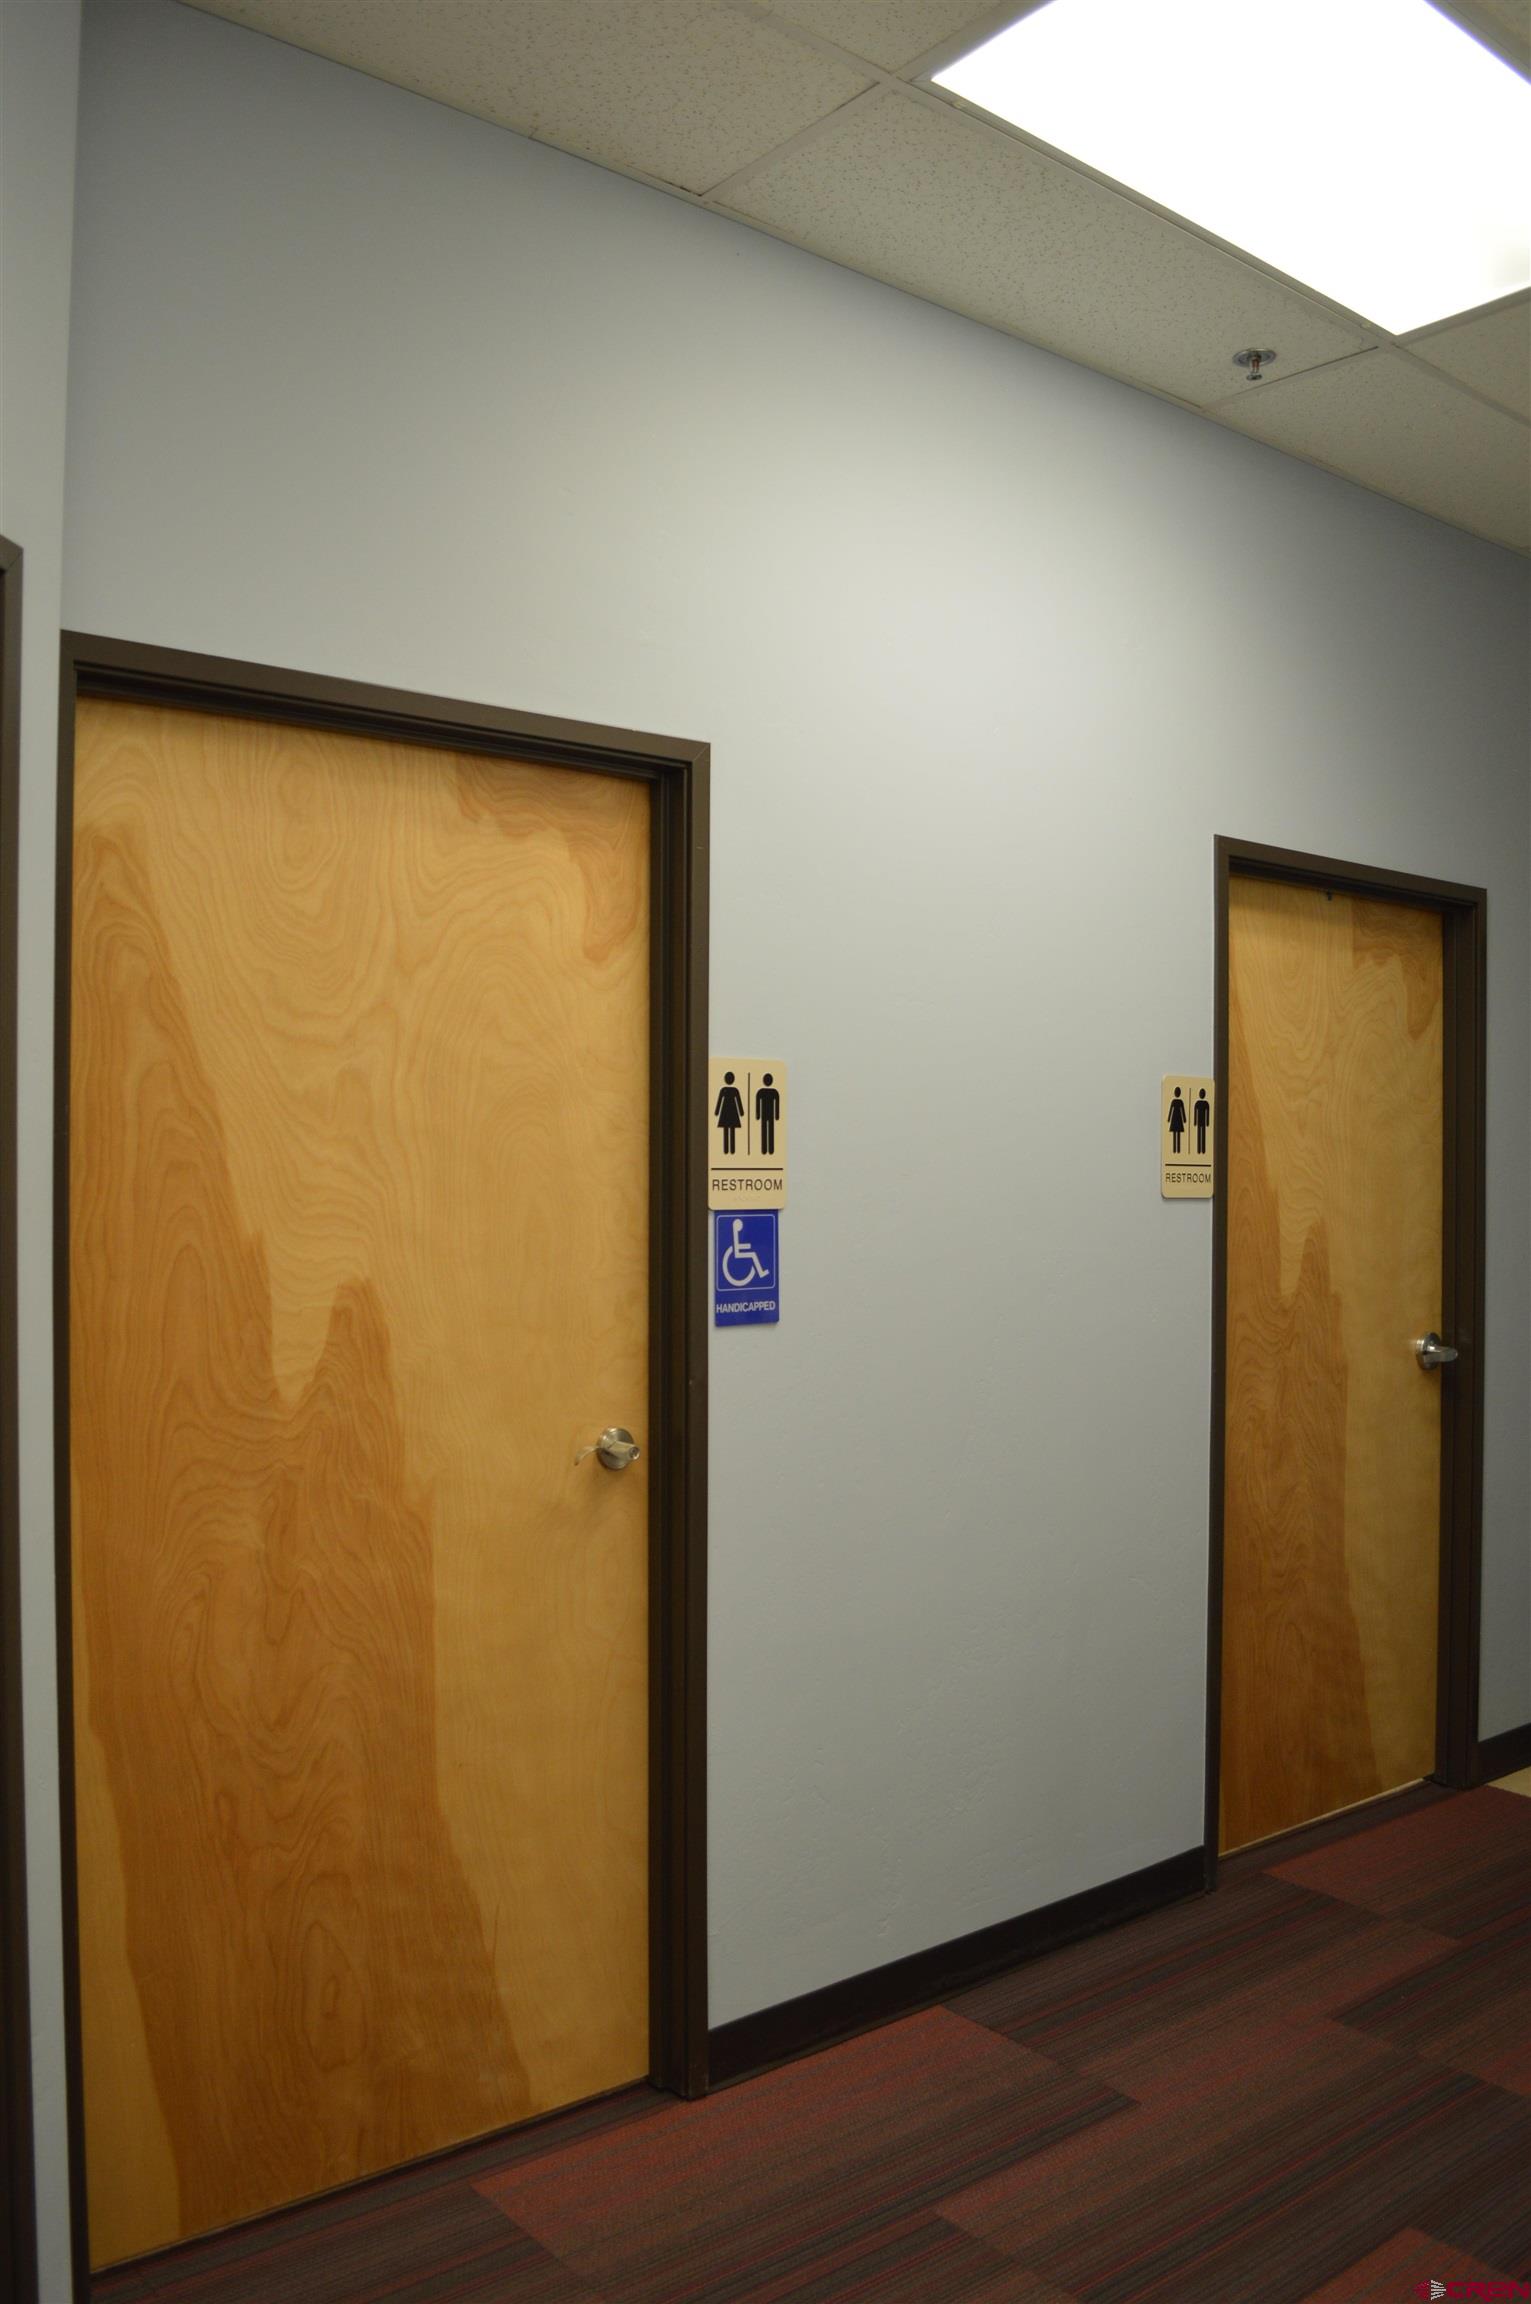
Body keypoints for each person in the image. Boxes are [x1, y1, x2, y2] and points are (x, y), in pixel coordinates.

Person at [714, 1070, 744, 1155]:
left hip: (726, 1112)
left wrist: (717, 1112)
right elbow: (738, 1102)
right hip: (732, 1112)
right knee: (731, 1130)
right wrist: (741, 1112)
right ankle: (730, 1149)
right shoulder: (734, 1090)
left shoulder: (724, 1090)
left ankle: (727, 1149)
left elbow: (720, 1101)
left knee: (727, 1130)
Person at [755, 1072, 780, 1156]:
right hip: (769, 1115)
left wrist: (758, 1115)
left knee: (765, 1130)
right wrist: (776, 1115)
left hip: (765, 1115)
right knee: (769, 1130)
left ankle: (766, 1149)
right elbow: (776, 1105)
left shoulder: (761, 1092)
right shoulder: (774, 1092)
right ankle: (769, 1149)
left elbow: (758, 1105)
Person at [1167, 1087, 1187, 1154]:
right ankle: (1176, 1149)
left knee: (1176, 1134)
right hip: (1177, 1119)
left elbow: (1182, 1111)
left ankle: (1177, 1149)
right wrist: (1184, 1119)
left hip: (1176, 1119)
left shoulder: (1177, 1101)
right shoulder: (1178, 1101)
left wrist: (1169, 1119)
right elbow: (1171, 1111)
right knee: (1176, 1134)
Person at [1193, 1087, 1211, 1156]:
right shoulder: (1204, 1103)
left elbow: (1207, 1114)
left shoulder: (1200, 1103)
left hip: (1201, 1122)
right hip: (1201, 1122)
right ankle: (1200, 1150)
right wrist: (1207, 1122)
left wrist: (1207, 1122)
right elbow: (1195, 1113)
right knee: (1201, 1134)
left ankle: (1202, 1150)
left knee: (1201, 1135)